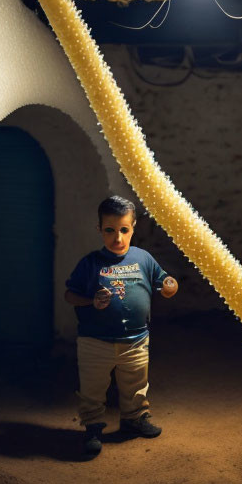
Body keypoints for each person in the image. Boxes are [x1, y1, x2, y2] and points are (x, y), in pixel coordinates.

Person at [65, 195, 178, 456]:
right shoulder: (91, 263)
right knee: (93, 387)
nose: (118, 238)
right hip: (95, 341)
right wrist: (91, 300)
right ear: (99, 229)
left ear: (133, 227)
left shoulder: (143, 258)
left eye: (124, 230)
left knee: (136, 383)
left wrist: (171, 286)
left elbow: (165, 283)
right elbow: (69, 295)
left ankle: (134, 419)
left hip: (136, 339)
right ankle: (93, 427)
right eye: (110, 230)